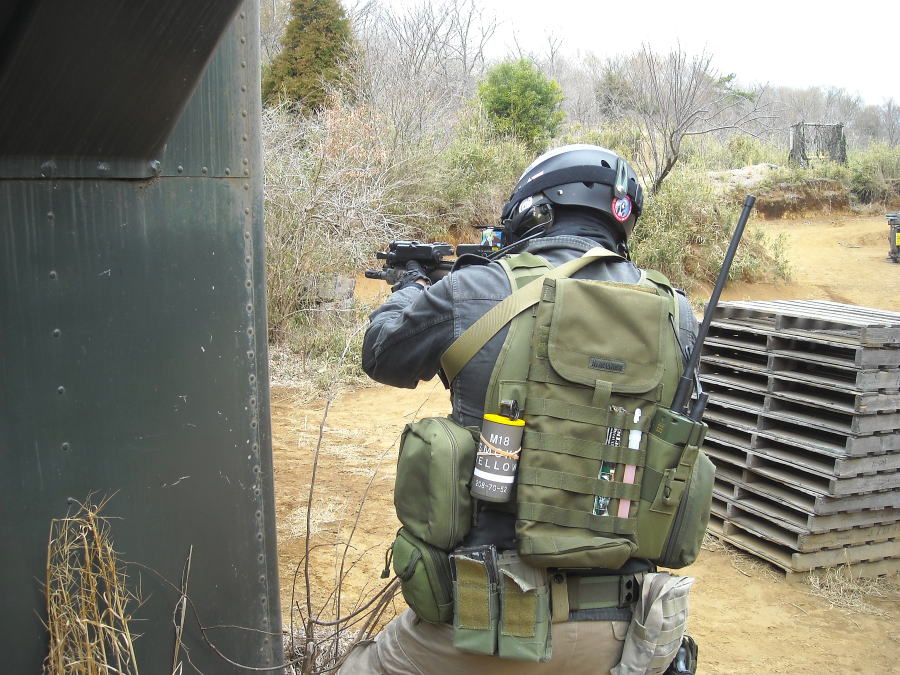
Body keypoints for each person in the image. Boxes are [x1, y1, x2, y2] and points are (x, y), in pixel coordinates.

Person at [342, 144, 699, 674]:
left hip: (487, 625)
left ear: (534, 209)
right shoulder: (678, 314)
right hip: (625, 633)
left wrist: (410, 287)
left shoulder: (477, 288)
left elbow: (382, 355)